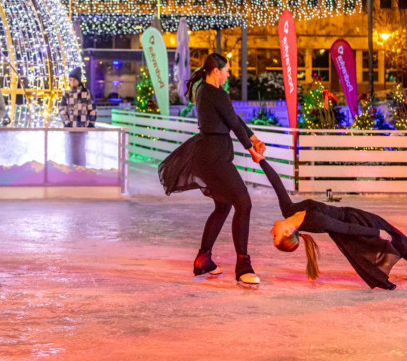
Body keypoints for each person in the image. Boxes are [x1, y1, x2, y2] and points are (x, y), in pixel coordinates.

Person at [157, 53, 265, 287]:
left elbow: (232, 118)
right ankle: (243, 266)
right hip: (214, 157)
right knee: (244, 203)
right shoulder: (215, 93)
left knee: (224, 205)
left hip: (209, 154)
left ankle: (203, 259)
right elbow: (234, 124)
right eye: (226, 70)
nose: (228, 74)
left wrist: (254, 138)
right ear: (216, 70)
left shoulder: (204, 91)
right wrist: (252, 150)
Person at [251, 150, 407, 290]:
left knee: (398, 239)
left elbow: (277, 184)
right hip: (354, 224)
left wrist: (261, 161)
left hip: (351, 218)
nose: (271, 231)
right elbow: (346, 228)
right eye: (275, 236)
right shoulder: (315, 221)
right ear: (287, 232)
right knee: (395, 240)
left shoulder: (288, 211)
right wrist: (377, 232)